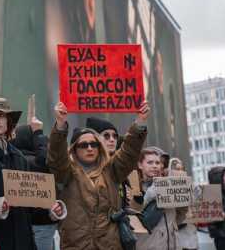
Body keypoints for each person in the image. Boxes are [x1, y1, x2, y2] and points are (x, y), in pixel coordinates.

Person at [0, 97, 66, 250]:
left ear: (8, 122)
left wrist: (50, 210)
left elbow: (29, 209)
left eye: (1, 116)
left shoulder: (19, 157)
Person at [47, 101, 149, 250]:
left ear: (99, 147)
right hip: (76, 245)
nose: (89, 148)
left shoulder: (111, 171)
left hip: (109, 245)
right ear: (75, 149)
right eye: (83, 145)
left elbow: (128, 152)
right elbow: (56, 157)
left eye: (93, 144)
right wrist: (60, 124)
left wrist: (140, 122)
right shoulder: (67, 173)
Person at [11, 117, 58, 250]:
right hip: (42, 222)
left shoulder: (11, 161)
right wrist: (39, 134)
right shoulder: (30, 161)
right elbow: (44, 161)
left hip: (20, 223)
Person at [135, 149, 187, 250]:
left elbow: (180, 215)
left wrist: (184, 198)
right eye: (150, 162)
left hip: (172, 245)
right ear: (140, 165)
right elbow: (133, 215)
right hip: (148, 245)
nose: (155, 166)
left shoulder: (169, 186)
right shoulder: (134, 187)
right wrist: (150, 194)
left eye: (157, 163)